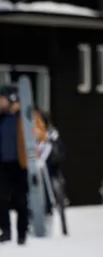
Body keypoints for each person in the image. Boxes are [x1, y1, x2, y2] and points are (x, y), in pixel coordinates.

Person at [0, 85, 47, 245]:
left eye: (2, 99)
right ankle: (5, 231)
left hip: (21, 163)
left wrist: (37, 134)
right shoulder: (2, 117)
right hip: (3, 164)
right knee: (1, 198)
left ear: (12, 99)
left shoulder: (28, 115)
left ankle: (22, 233)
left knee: (21, 199)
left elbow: (42, 134)